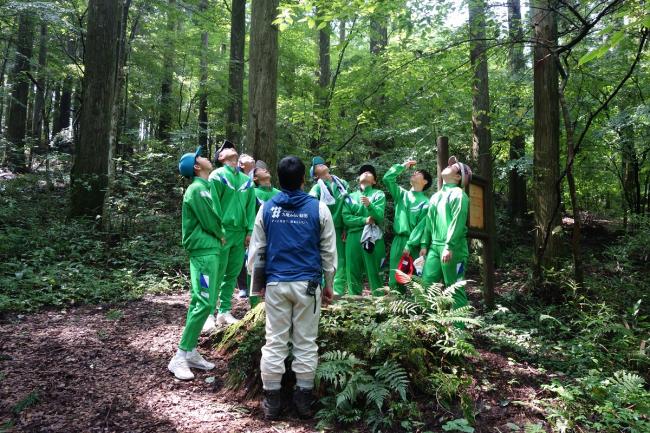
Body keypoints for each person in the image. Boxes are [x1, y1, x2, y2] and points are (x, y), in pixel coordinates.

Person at [247, 156, 336, 420]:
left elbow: (256, 253)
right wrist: (328, 285)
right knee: (306, 343)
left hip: (276, 283)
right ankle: (304, 398)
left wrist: (258, 285)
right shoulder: (319, 209)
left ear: (278, 177)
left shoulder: (267, 208)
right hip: (308, 285)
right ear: (302, 180)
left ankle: (272, 400)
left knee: (275, 341)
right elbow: (329, 254)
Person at [168, 147, 225, 380]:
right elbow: (209, 219)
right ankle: (179, 357)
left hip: (209, 251)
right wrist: (221, 233)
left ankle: (190, 351)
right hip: (203, 252)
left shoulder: (205, 187)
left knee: (201, 301)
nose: (205, 157)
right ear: (196, 167)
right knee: (204, 301)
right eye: (200, 156)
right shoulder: (197, 189)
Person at [203, 141, 256, 331]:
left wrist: (250, 230)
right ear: (220, 157)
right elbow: (213, 205)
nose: (231, 149)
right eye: (226, 149)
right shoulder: (216, 176)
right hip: (223, 231)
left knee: (232, 273)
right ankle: (209, 313)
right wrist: (219, 231)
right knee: (216, 272)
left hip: (240, 233)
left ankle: (224, 311)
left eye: (233, 148)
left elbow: (251, 207)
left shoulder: (246, 180)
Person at [410, 156, 471, 309]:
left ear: (458, 177)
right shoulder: (436, 196)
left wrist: (449, 246)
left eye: (454, 167)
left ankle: (458, 329)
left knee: (455, 288)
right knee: (425, 286)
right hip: (434, 248)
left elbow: (457, 222)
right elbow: (429, 222)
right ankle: (424, 327)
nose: (448, 166)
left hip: (454, 247)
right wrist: (424, 244)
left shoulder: (459, 194)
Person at [383, 160, 432, 293]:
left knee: (413, 280)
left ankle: (414, 311)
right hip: (398, 240)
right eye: (414, 172)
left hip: (414, 244)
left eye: (419, 173)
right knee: (394, 277)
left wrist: (410, 245)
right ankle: (394, 308)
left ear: (425, 182)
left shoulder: (426, 202)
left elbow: (421, 228)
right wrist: (402, 166)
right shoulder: (401, 194)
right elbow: (387, 178)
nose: (414, 173)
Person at [342, 164, 386, 296]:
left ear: (374, 181)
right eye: (363, 172)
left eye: (370, 172)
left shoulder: (378, 194)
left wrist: (369, 205)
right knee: (352, 271)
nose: (366, 173)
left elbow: (379, 216)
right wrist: (364, 220)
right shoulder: (350, 197)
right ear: (358, 179)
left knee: (375, 270)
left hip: (373, 236)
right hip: (353, 237)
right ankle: (353, 304)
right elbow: (346, 218)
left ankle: (379, 304)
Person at [308, 157, 350, 296]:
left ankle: (337, 289)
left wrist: (346, 227)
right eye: (317, 165)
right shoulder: (317, 188)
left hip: (339, 227)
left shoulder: (342, 184)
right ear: (315, 174)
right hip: (322, 229)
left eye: (322, 163)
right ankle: (321, 288)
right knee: (323, 257)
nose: (321, 164)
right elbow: (311, 207)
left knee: (340, 259)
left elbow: (348, 206)